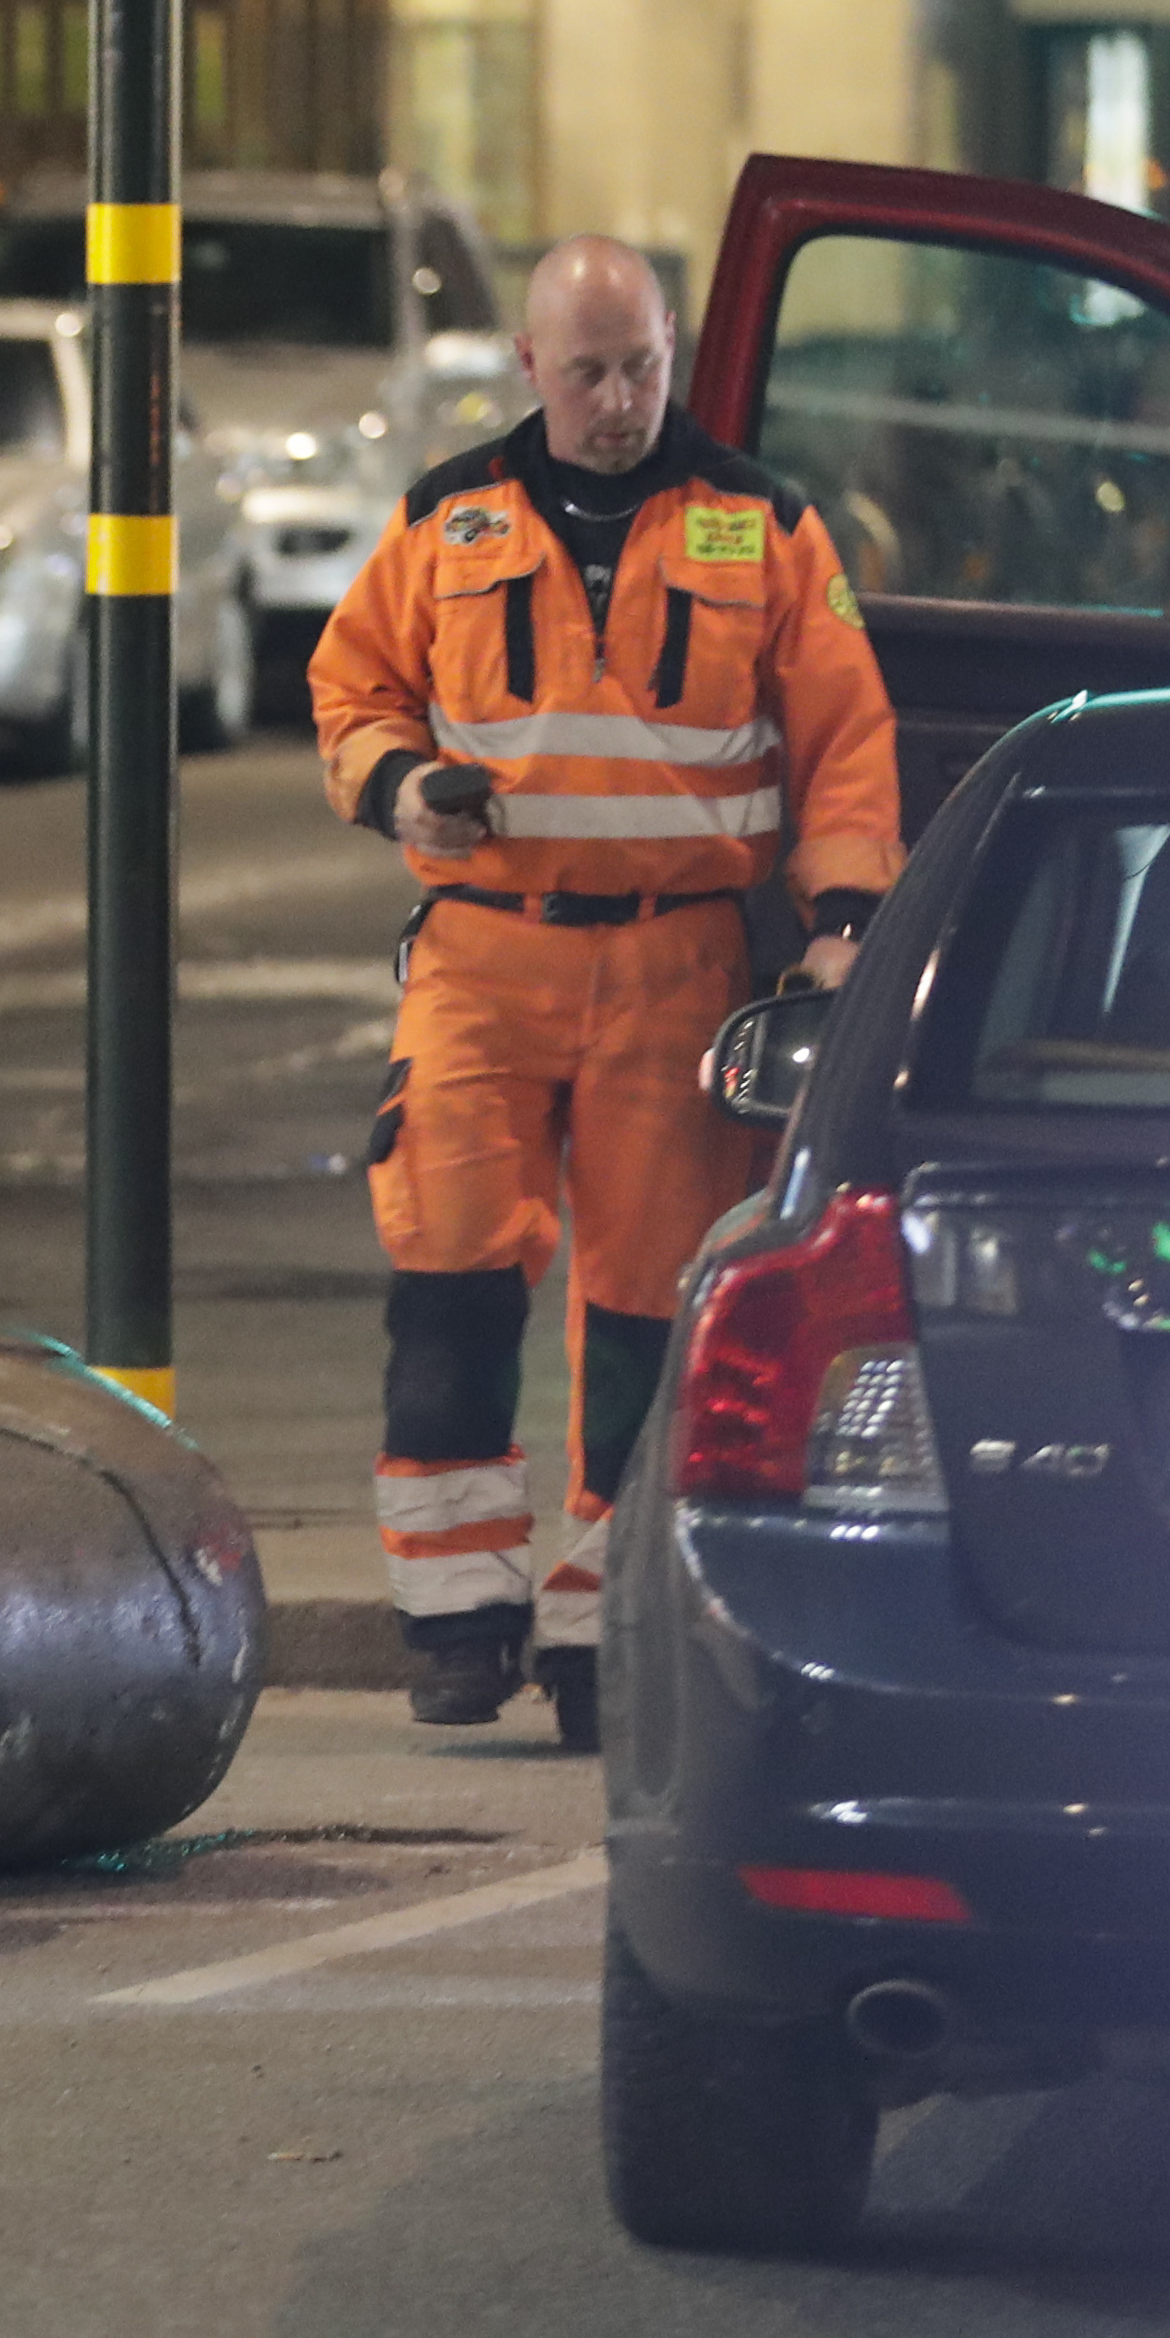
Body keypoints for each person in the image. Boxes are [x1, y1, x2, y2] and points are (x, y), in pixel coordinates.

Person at [309, 234, 903, 1745]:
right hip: (481, 956)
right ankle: (451, 1619)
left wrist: (841, 915)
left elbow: (842, 737)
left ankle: (599, 1627)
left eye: (640, 363)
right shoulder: (446, 519)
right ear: (528, 367)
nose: (620, 396)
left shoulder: (761, 526)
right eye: (587, 369)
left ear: (670, 355)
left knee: (646, 1308)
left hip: (679, 964)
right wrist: (395, 786)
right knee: (446, 1276)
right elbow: (350, 685)